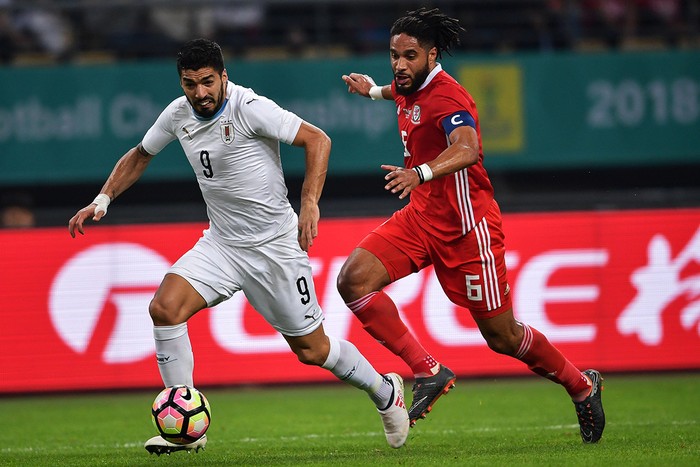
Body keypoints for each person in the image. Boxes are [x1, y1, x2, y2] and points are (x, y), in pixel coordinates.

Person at [68, 38, 409, 454]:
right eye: (190, 84)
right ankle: (186, 430)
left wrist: (309, 204)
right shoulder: (178, 115)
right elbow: (140, 154)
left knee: (313, 349)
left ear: (223, 77)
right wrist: (102, 199)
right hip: (222, 244)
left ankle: (384, 390)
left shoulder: (249, 108)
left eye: (207, 82)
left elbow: (318, 140)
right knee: (164, 308)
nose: (199, 93)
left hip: (274, 247)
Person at [337, 7, 605, 443]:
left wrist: (420, 173)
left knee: (502, 335)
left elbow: (468, 148)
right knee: (352, 281)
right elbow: (401, 95)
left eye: (409, 56)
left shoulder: (449, 98)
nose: (399, 65)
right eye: (393, 55)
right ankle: (429, 371)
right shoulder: (409, 86)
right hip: (421, 219)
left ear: (432, 55)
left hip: (468, 230)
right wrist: (372, 92)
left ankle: (582, 385)